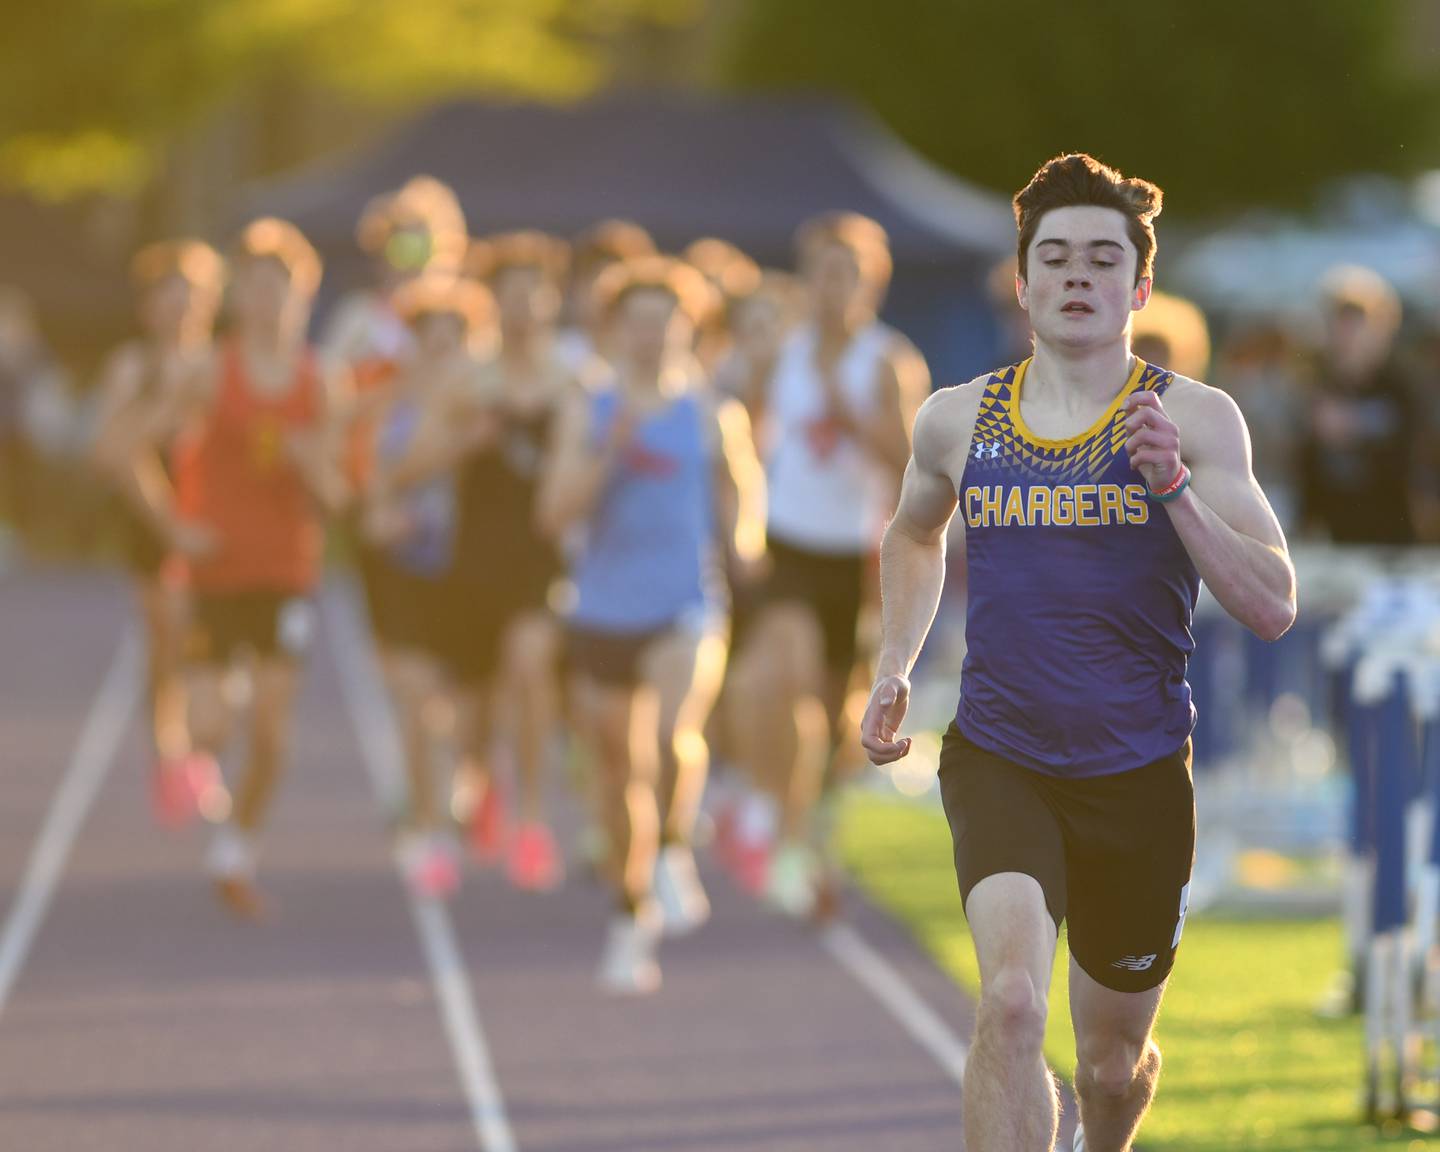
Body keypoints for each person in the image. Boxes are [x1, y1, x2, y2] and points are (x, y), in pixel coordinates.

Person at [861, 153, 1296, 1152]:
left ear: (1140, 287)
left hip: (1137, 771)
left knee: (1107, 1066)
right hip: (1002, 753)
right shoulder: (958, 418)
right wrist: (894, 658)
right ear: (1021, 283)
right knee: (1011, 1003)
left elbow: (1272, 604)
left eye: (1103, 260)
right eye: (1053, 258)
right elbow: (914, 531)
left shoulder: (1193, 418)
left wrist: (1174, 487)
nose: (1076, 277)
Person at [539, 256, 765, 993]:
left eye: (661, 321)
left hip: (684, 605)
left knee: (671, 736)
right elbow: (553, 514)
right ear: (611, 330)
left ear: (686, 328)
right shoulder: (589, 407)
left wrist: (745, 545)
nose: (647, 335)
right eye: (633, 322)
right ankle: (629, 910)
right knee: (616, 770)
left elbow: (741, 489)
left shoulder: (709, 411)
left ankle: (672, 848)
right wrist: (611, 448)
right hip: (602, 609)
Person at [134, 219, 348, 919]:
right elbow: (128, 448)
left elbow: (341, 495)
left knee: (272, 732)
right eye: (252, 288)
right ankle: (196, 765)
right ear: (236, 297)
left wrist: (308, 461)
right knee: (210, 723)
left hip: (284, 571)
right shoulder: (207, 370)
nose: (265, 302)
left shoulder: (318, 381)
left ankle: (237, 848)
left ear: (303, 297)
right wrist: (173, 526)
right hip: (213, 574)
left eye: (278, 289)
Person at [729, 212, 928, 917]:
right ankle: (770, 814)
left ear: (869, 283)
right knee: (772, 678)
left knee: (831, 714)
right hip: (786, 540)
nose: (831, 287)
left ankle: (804, 829)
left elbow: (913, 464)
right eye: (820, 273)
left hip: (856, 552)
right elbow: (743, 433)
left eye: (846, 274)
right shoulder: (781, 349)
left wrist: (853, 414)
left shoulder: (885, 359)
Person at [385, 231, 573, 890]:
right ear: (492, 303)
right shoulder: (468, 380)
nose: (522, 305)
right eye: (509, 293)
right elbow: (407, 469)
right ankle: (478, 781)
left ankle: (533, 819)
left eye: (534, 292)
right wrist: (466, 442)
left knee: (530, 664)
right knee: (471, 715)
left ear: (552, 300)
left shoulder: (572, 379)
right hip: (470, 562)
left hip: (539, 559)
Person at [360, 274, 495, 898]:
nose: (440, 348)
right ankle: (428, 830)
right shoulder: (392, 396)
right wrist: (381, 506)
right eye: (428, 336)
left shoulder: (484, 397)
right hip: (405, 568)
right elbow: (374, 474)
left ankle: (468, 785)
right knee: (415, 702)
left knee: (468, 715)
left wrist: (418, 468)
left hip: (469, 571)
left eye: (452, 337)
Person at [92, 241, 228, 825]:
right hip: (151, 516)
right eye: (169, 297)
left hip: (215, 516)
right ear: (148, 307)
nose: (180, 309)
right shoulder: (131, 366)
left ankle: (199, 748)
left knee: (210, 640)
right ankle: (169, 752)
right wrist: (170, 524)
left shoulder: (223, 363)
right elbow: (111, 453)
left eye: (192, 297)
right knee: (166, 636)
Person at [1298, 265, 1420, 544]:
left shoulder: (1402, 386)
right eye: (1340, 326)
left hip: (1392, 532)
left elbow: (1413, 454)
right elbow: (1305, 461)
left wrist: (1352, 428)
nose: (1349, 338)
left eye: (1358, 326)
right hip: (1333, 530)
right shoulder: (1317, 385)